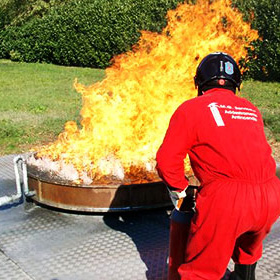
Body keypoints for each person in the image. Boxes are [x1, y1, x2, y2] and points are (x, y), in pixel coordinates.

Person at [156, 52, 280, 280]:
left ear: (199, 82)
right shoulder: (250, 109)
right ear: (236, 84)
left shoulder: (191, 108)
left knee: (201, 271)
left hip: (227, 200)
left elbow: (166, 161)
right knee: (247, 252)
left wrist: (182, 190)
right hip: (272, 195)